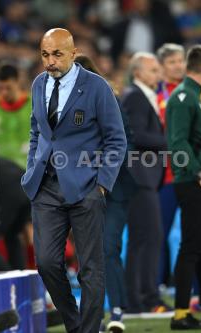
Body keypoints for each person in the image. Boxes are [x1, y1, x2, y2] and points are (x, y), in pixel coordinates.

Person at [21, 28, 126, 333]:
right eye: (44, 54)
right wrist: (32, 169)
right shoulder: (38, 84)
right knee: (47, 263)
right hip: (45, 187)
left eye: (56, 54)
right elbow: (36, 132)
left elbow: (116, 140)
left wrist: (102, 184)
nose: (50, 61)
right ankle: (76, 324)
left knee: (90, 269)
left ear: (73, 52)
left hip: (85, 188)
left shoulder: (96, 87)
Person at [75, 54, 134, 333]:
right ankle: (94, 318)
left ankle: (117, 312)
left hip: (113, 190)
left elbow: (124, 143)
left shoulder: (111, 102)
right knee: (90, 255)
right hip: (81, 192)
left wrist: (102, 175)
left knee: (108, 249)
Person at [166, 45, 201, 330]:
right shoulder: (183, 97)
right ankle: (180, 314)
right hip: (193, 181)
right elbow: (177, 145)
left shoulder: (200, 97)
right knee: (191, 248)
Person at [121, 52, 170, 315]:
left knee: (144, 238)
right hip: (139, 176)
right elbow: (136, 134)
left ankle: (139, 298)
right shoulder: (135, 97)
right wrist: (170, 141)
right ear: (138, 72)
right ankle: (145, 298)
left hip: (142, 177)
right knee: (148, 237)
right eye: (153, 70)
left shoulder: (139, 97)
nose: (158, 74)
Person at [155, 43, 185, 288]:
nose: (178, 65)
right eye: (172, 62)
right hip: (164, 175)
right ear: (162, 67)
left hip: (190, 174)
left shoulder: (193, 90)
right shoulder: (156, 95)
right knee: (160, 233)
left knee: (192, 233)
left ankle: (193, 286)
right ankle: (158, 284)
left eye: (181, 60)